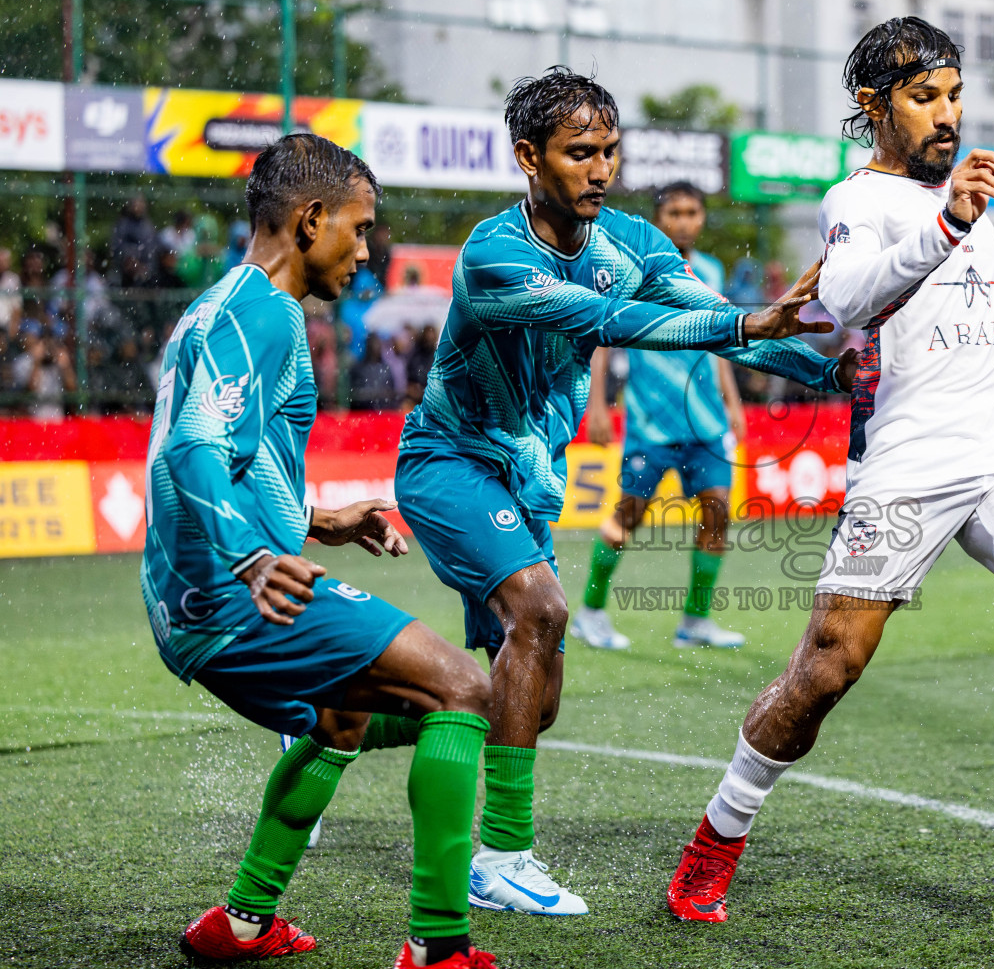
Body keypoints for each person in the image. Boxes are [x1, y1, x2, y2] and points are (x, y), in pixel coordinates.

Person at [664, 17, 994, 923]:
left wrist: (957, 214)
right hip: (909, 456)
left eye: (955, 97)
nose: (947, 116)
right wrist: (946, 221)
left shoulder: (965, 195)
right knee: (826, 668)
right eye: (925, 97)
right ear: (874, 105)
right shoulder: (858, 200)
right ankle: (717, 837)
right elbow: (852, 297)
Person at [387, 68, 853, 918]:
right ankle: (500, 858)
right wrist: (749, 321)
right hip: (449, 463)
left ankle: (336, 711)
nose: (599, 169)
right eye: (578, 153)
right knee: (541, 614)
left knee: (519, 697)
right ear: (529, 157)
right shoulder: (493, 255)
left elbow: (720, 321)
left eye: (609, 150)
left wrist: (836, 371)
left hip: (528, 484)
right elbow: (612, 323)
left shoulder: (630, 242)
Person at [143, 133, 499, 969]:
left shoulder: (218, 306)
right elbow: (191, 451)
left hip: (189, 602)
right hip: (232, 597)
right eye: (361, 227)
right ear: (310, 220)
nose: (368, 250)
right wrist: (252, 559)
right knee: (464, 689)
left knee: (343, 720)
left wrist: (311, 518)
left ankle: (241, 923)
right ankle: (439, 947)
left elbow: (222, 452)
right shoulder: (266, 312)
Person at [572, 181, 749, 651]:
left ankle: (695, 622)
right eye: (675, 212)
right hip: (650, 425)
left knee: (716, 516)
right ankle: (589, 614)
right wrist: (598, 405)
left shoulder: (710, 270)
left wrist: (733, 404)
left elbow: (721, 342)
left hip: (706, 425)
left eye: (693, 211)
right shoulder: (634, 270)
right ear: (659, 219)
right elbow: (604, 337)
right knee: (627, 518)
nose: (685, 221)